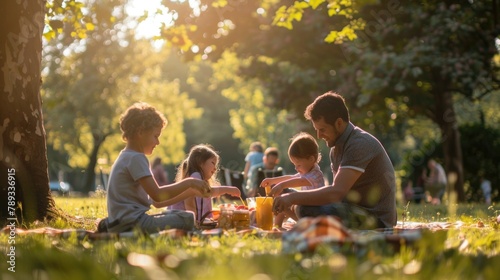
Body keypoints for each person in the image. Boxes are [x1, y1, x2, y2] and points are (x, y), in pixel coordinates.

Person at [272, 91, 397, 229]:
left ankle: (305, 222)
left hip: (374, 218)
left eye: (323, 129)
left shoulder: (359, 144)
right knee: (288, 197)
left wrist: (293, 199)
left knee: (304, 208)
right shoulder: (336, 149)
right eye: (317, 130)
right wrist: (289, 196)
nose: (319, 135)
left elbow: (337, 192)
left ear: (338, 123)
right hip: (348, 208)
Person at [105, 102, 211, 233]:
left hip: (120, 221)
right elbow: (158, 195)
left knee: (176, 213)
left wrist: (190, 191)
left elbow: (156, 202)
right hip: (133, 223)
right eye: (155, 136)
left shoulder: (126, 156)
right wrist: (190, 182)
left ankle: (110, 229)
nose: (158, 142)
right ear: (140, 132)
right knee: (187, 217)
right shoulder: (136, 158)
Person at [260, 132, 325, 229]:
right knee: (282, 194)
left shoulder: (316, 175)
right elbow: (292, 178)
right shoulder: (306, 171)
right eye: (294, 165)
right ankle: (277, 225)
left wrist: (282, 185)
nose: (296, 168)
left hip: (314, 210)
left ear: (311, 159)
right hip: (305, 204)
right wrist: (273, 181)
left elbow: (300, 181)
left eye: (298, 165)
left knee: (292, 203)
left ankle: (299, 222)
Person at [169, 144, 241, 224]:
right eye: (213, 163)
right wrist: (194, 223)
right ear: (200, 162)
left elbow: (207, 193)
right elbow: (191, 201)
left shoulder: (199, 178)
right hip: (181, 221)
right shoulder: (195, 176)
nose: (215, 168)